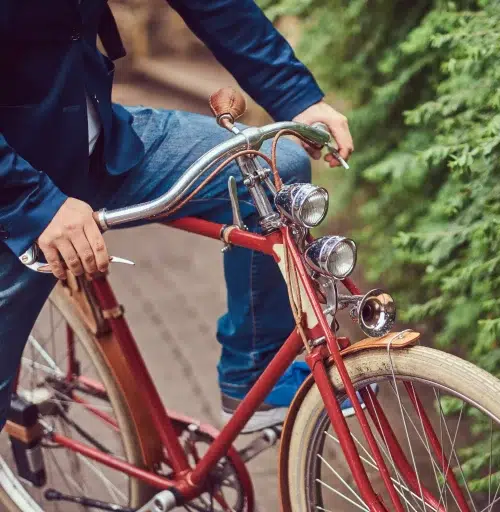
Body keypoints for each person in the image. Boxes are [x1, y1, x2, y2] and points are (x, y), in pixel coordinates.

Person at [0, 0, 354, 433]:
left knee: (272, 167)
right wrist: (35, 202)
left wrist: (297, 98)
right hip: (13, 189)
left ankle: (255, 375)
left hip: (97, 142)